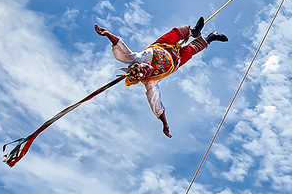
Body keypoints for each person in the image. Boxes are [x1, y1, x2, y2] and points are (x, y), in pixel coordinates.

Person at [95, 17, 228, 138]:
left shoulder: (137, 59)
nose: (148, 69)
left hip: (164, 45)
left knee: (175, 33)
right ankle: (210, 38)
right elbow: (156, 104)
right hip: (176, 60)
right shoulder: (150, 83)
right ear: (143, 77)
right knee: (191, 50)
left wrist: (107, 34)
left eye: (145, 67)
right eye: (147, 72)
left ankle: (193, 31)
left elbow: (121, 49)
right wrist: (164, 123)